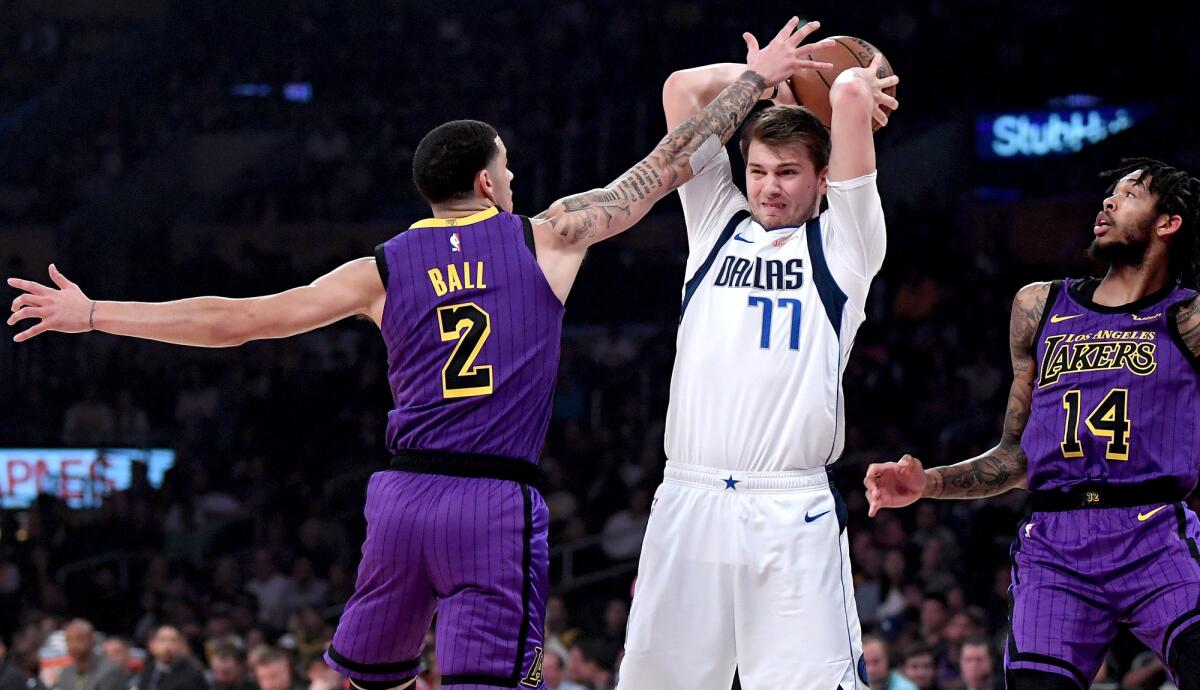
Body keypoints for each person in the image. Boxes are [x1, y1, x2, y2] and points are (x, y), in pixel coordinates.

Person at [7, 18, 823, 690]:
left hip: (399, 499)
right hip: (492, 505)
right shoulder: (549, 236)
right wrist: (756, 80)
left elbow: (237, 321)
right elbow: (668, 162)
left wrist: (92, 315)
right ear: (488, 180)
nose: (516, 173)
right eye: (508, 163)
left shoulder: (380, 270)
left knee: (368, 680)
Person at [616, 21, 900, 690]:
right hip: (688, 496)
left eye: (788, 173)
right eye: (758, 171)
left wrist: (849, 85)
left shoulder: (846, 246)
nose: (769, 187)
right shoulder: (715, 221)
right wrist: (760, 77)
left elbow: (856, 89)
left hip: (789, 510)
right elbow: (681, 90)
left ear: (823, 179)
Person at [865, 159, 1200, 690]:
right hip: (1054, 543)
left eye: (1130, 194)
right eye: (1108, 192)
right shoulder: (1040, 305)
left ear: (1168, 223)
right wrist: (927, 482)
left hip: (1154, 533)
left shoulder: (1186, 316)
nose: (1109, 201)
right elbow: (1017, 457)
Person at [52, 621, 127, 690]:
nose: (74, 645)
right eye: (69, 640)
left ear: (92, 641)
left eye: (79, 639)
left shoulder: (110, 670)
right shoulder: (66, 673)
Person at [130, 626, 206, 690]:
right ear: (152, 645)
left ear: (180, 645)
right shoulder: (148, 671)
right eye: (162, 640)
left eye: (173, 640)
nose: (168, 645)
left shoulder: (192, 675)